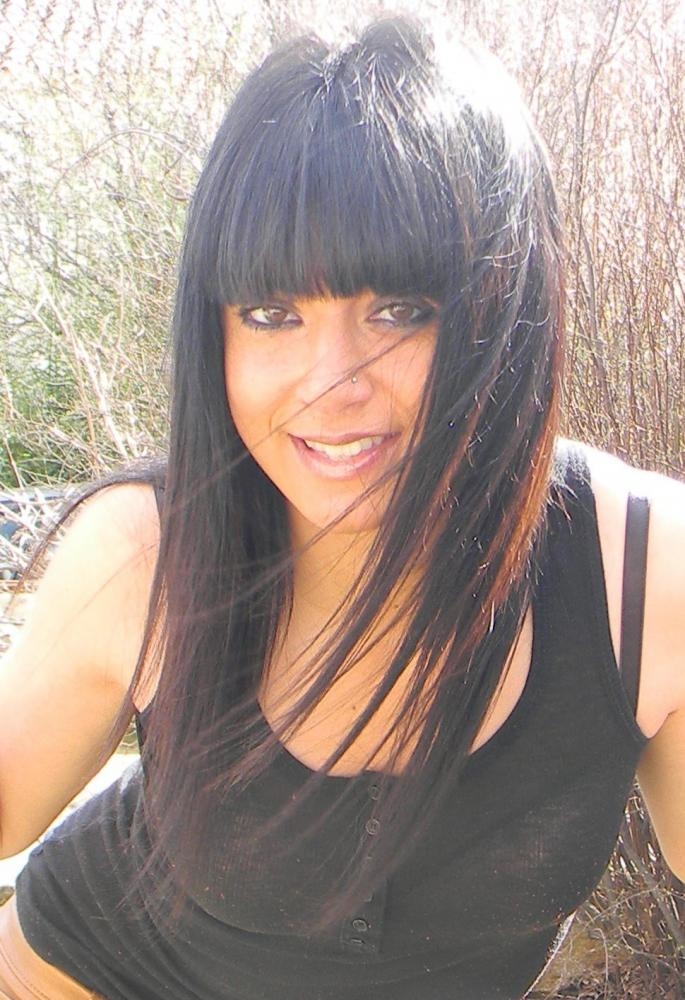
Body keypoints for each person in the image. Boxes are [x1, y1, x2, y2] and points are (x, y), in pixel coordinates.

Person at [0, 15, 682, 1000]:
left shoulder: (643, 573)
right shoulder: (143, 556)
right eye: (270, 314)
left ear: (510, 307)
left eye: (400, 310)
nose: (331, 385)